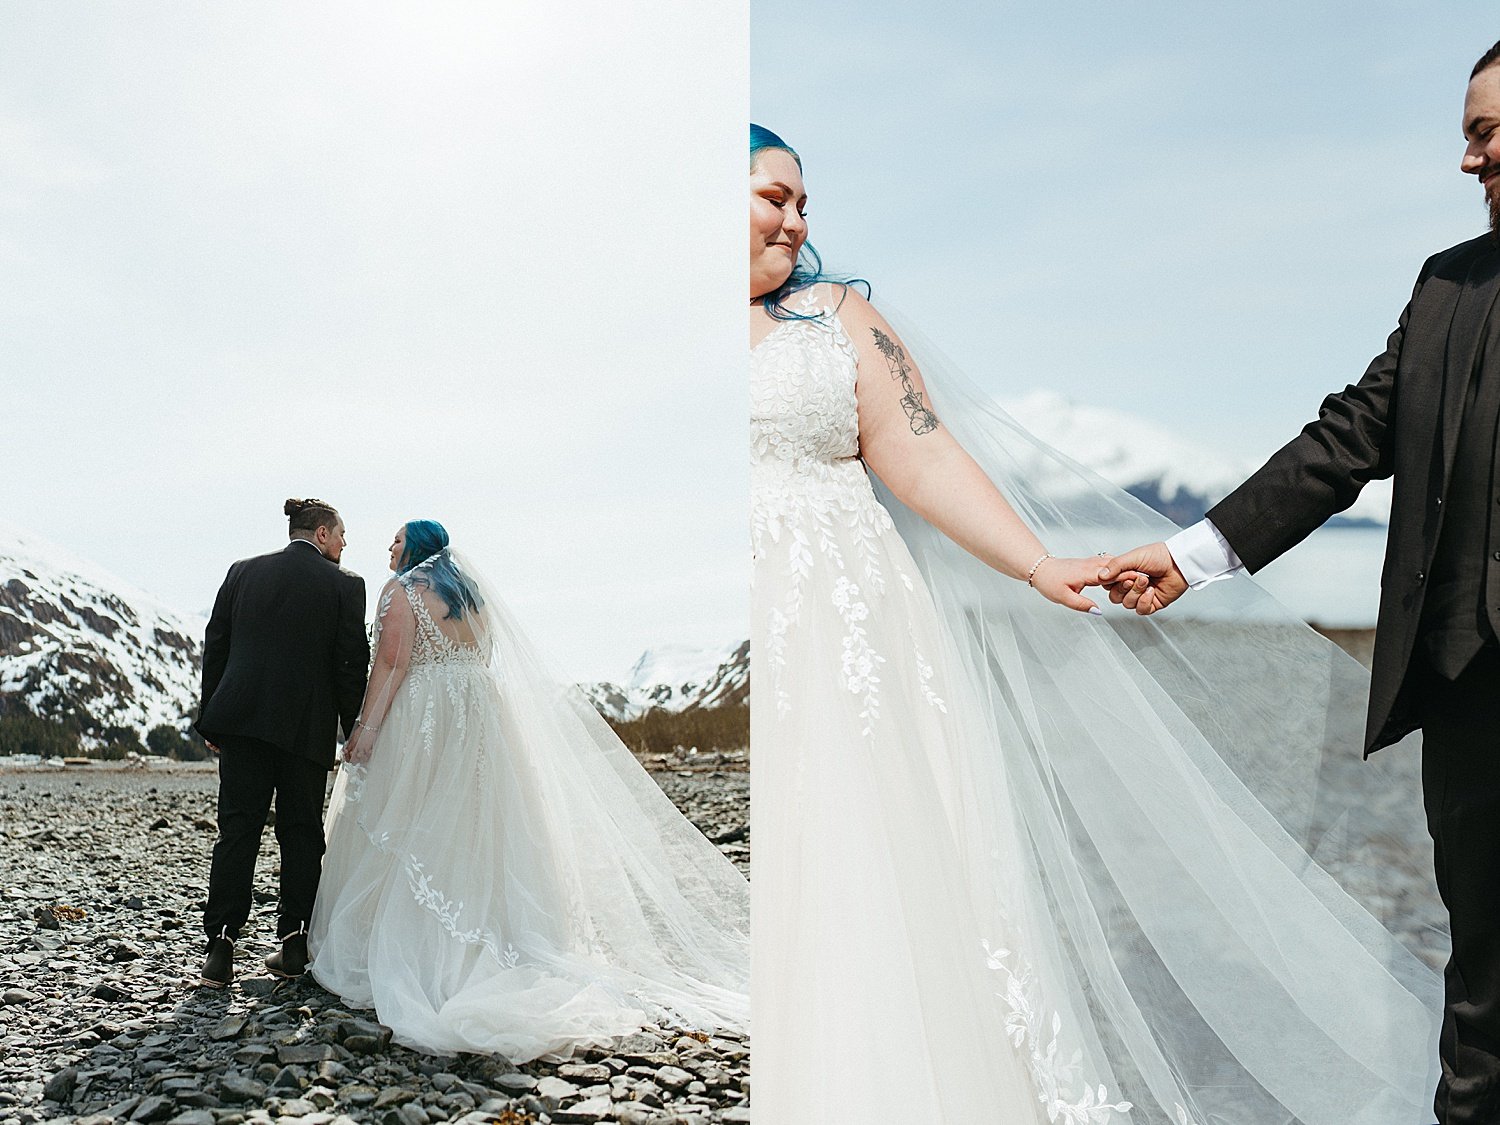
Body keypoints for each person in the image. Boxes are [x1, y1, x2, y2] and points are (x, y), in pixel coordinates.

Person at [750, 123, 1444, 1124]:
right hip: (750, 613)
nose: (798, 219)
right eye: (775, 196)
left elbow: (922, 451)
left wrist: (1037, 563)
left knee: (861, 845)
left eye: (806, 202)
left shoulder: (835, 317)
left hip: (842, 622)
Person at [1100, 39, 1500, 1125]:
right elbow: (1348, 439)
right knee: (1486, 995)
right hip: (1475, 692)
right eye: (1470, 134)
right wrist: (1190, 556)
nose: (1473, 160)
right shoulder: (1448, 287)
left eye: (1491, 132)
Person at [307, 520, 748, 1060]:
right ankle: (495, 931)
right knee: (473, 819)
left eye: (396, 540)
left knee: (414, 814)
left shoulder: (401, 591)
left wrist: (366, 729)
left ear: (416, 547)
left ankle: (417, 947)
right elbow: (482, 658)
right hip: (479, 711)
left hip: (428, 713)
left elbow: (394, 664)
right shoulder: (471, 597)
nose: (388, 547)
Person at [196, 498, 369, 988]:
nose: (343, 545)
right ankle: (294, 942)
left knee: (237, 833)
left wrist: (213, 718)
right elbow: (349, 663)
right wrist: (353, 725)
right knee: (301, 835)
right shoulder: (345, 585)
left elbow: (218, 644)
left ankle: (221, 948)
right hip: (304, 730)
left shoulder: (242, 572)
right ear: (320, 534)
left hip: (244, 724)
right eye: (340, 536)